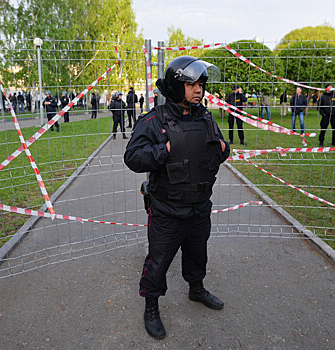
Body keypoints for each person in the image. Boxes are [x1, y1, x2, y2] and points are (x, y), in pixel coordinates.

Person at [124, 56, 229, 340]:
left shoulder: (206, 117)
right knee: (158, 261)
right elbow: (132, 158)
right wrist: (163, 150)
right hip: (166, 210)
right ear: (175, 86)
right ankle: (151, 307)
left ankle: (196, 289)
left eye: (201, 85)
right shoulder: (154, 121)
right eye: (192, 84)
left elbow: (220, 149)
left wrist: (223, 147)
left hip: (198, 208)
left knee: (198, 254)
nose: (199, 90)